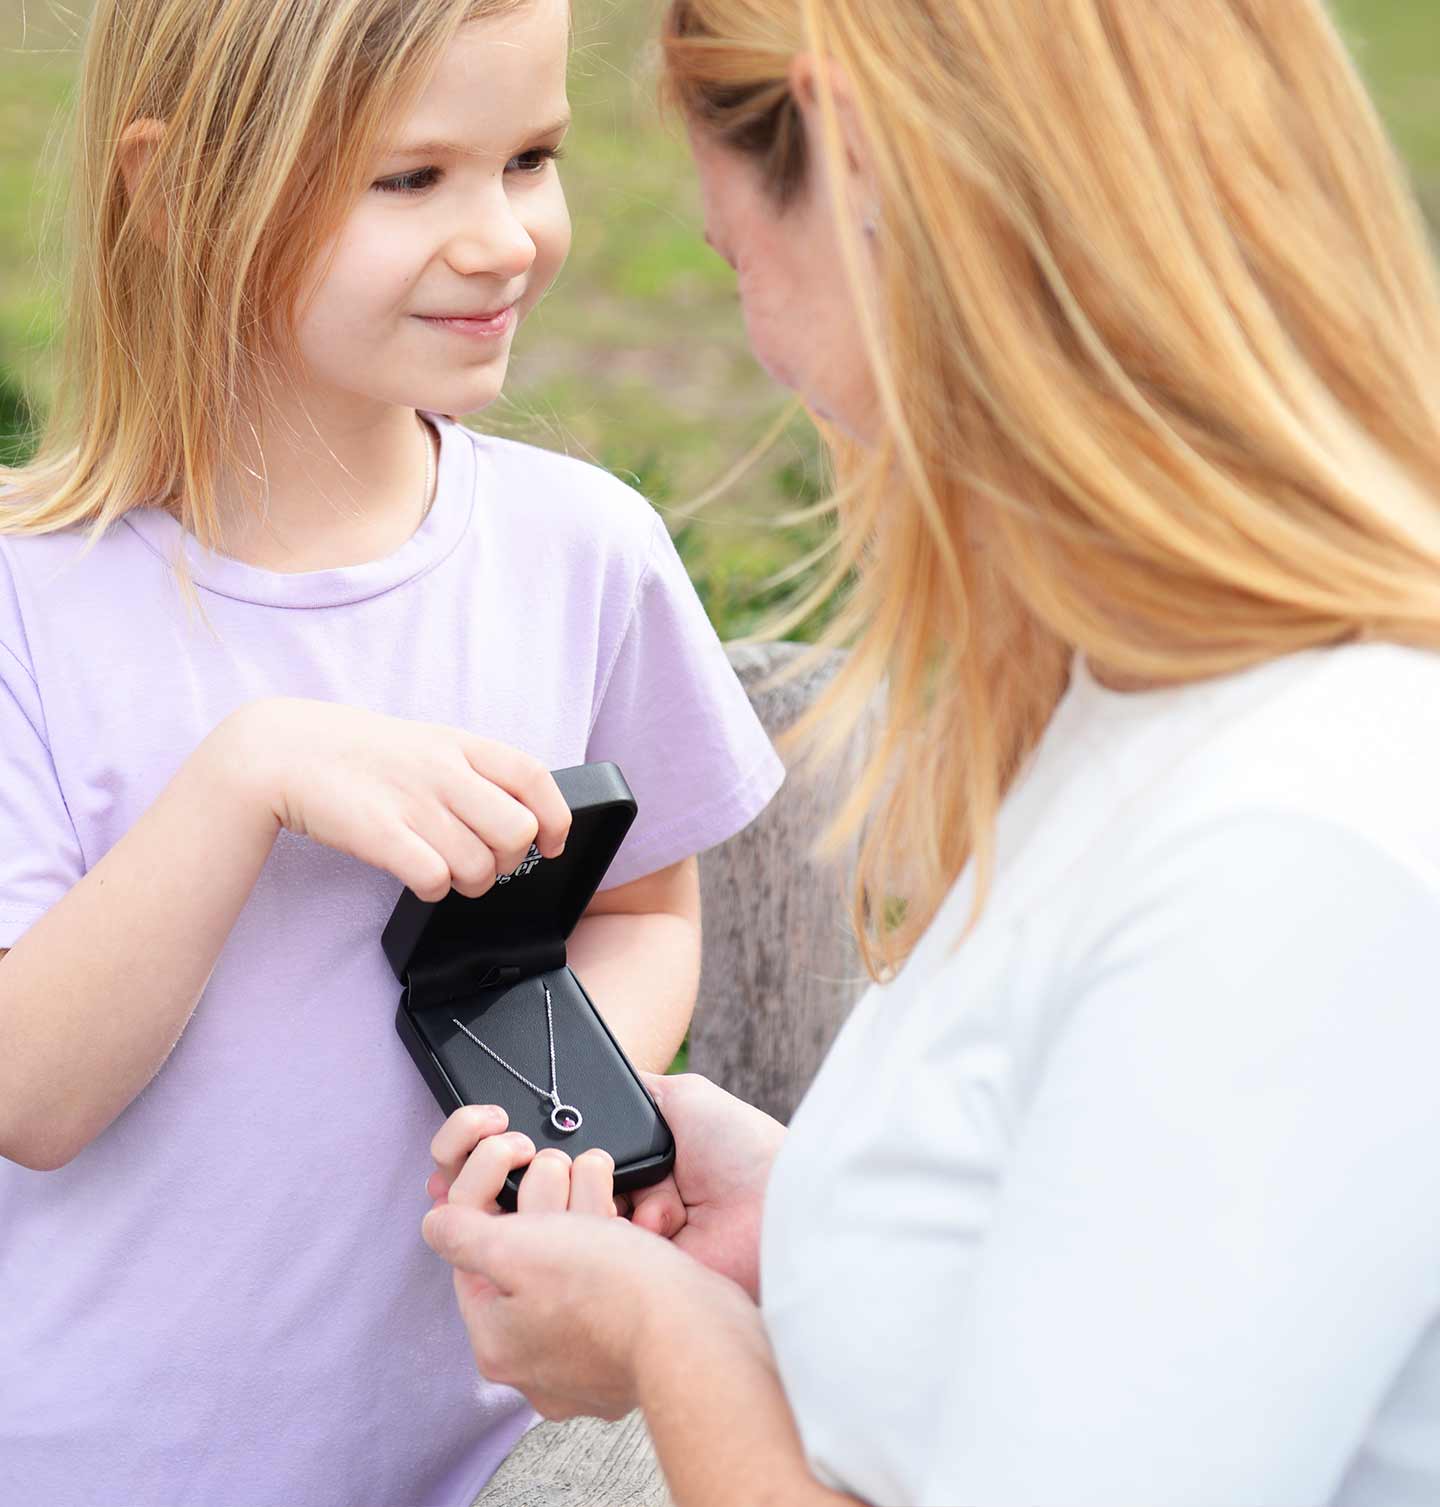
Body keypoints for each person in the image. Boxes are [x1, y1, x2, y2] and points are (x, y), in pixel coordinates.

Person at [418, 1, 1440, 1504]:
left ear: (861, 173)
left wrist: (667, 1341)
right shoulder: (1161, 705)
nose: (766, 348)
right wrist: (822, 1217)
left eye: (736, 259)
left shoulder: (1296, 849)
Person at [0, 0, 784, 1503]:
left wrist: (569, 1097)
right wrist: (246, 778)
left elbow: (640, 907)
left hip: (482, 1459)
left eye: (531, 157)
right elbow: (32, 1094)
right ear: (176, 195)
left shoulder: (585, 552)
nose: (502, 239)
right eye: (410, 179)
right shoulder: (31, 601)